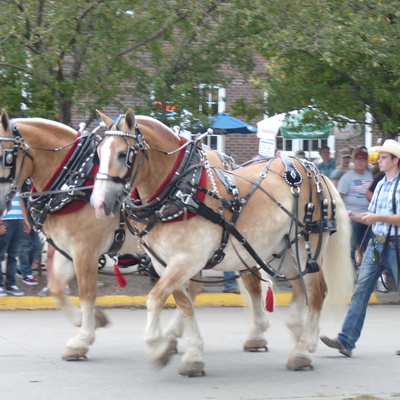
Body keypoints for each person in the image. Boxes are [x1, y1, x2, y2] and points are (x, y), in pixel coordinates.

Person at [320, 139, 400, 357]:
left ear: (395, 160)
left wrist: (377, 217)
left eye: (384, 158)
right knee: (360, 292)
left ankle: (346, 340)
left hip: (395, 245)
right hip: (376, 244)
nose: (379, 161)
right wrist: (352, 216)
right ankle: (346, 341)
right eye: (380, 157)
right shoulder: (381, 183)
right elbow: (371, 219)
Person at [338, 147, 373, 269]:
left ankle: (367, 268)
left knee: (369, 245)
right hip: (352, 217)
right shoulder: (347, 177)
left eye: (363, 160)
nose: (361, 163)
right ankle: (351, 270)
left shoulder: (370, 176)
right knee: (351, 245)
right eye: (358, 160)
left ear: (366, 162)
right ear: (354, 161)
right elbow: (339, 198)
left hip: (368, 217)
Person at [0, 194, 30, 296]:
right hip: (5, 220)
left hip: (18, 220)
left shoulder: (17, 180)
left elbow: (20, 198)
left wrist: (25, 219)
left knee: (13, 255)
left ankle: (10, 284)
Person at [17, 179, 42, 286]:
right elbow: (19, 197)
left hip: (35, 214)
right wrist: (24, 217)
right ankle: (27, 274)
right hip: (23, 213)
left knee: (38, 245)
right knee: (24, 246)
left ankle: (22, 268)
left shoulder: (36, 175)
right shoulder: (22, 177)